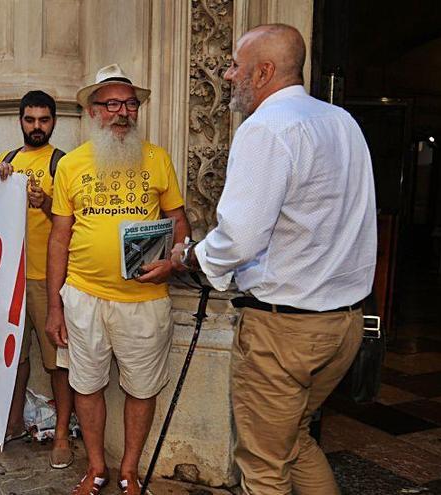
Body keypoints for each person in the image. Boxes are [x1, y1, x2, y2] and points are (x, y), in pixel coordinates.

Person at [171, 24, 376, 495]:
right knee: (295, 440)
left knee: (263, 469)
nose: (225, 75)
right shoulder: (342, 121)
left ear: (263, 72)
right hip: (343, 325)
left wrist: (196, 259)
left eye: (235, 66)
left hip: (285, 331)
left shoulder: (265, 128)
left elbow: (240, 238)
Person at [46, 64, 190, 495]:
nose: (122, 112)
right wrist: (55, 306)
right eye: (112, 104)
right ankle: (95, 467)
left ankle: (129, 469)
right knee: (86, 386)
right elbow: (58, 237)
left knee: (142, 388)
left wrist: (175, 259)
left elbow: (179, 222)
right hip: (84, 298)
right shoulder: (71, 165)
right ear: (93, 112)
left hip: (144, 302)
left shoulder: (158, 158)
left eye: (130, 104)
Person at [0, 90, 74, 468]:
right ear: (20, 120)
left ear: (54, 122)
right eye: (29, 119)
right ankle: (13, 423)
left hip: (47, 278)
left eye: (43, 120)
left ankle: (61, 437)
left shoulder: (64, 164)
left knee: (57, 361)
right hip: (10, 275)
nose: (36, 127)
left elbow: (74, 222)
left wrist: (47, 203)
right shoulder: (4, 161)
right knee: (15, 358)